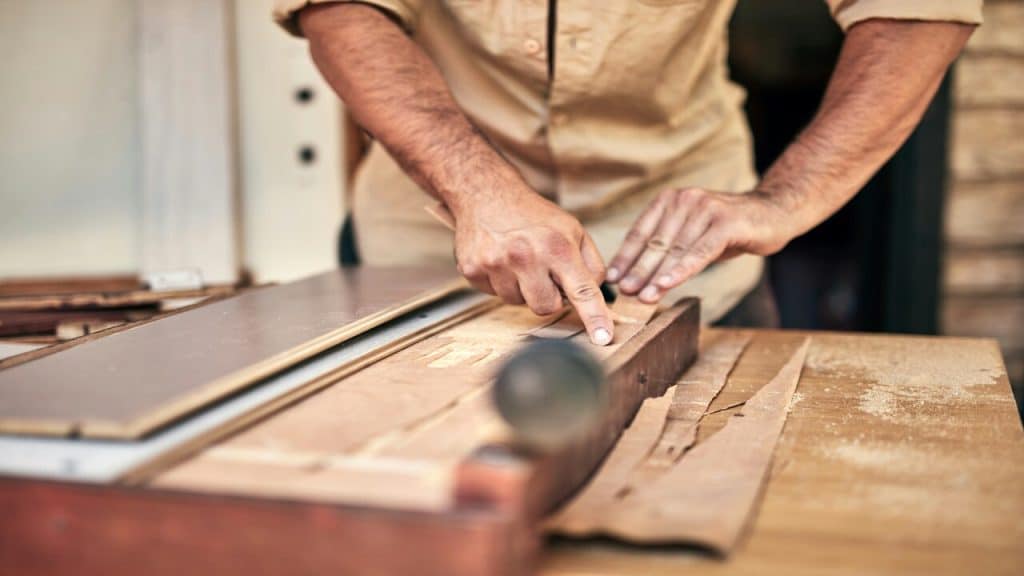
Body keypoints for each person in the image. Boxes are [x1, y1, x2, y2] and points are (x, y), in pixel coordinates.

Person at [274, 0, 979, 346]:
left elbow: (919, 9)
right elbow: (341, 10)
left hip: (689, 259)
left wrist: (786, 199)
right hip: (427, 246)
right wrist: (474, 186)